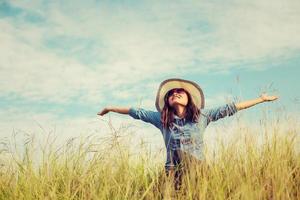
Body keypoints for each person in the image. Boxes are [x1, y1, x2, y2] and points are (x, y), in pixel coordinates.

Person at [97, 78, 279, 192]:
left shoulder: (202, 117)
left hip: (198, 170)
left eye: (179, 92)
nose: (175, 93)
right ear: (167, 101)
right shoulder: (161, 119)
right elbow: (135, 111)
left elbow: (231, 108)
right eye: (171, 94)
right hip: (171, 172)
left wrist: (261, 100)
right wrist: (110, 108)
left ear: (188, 98)